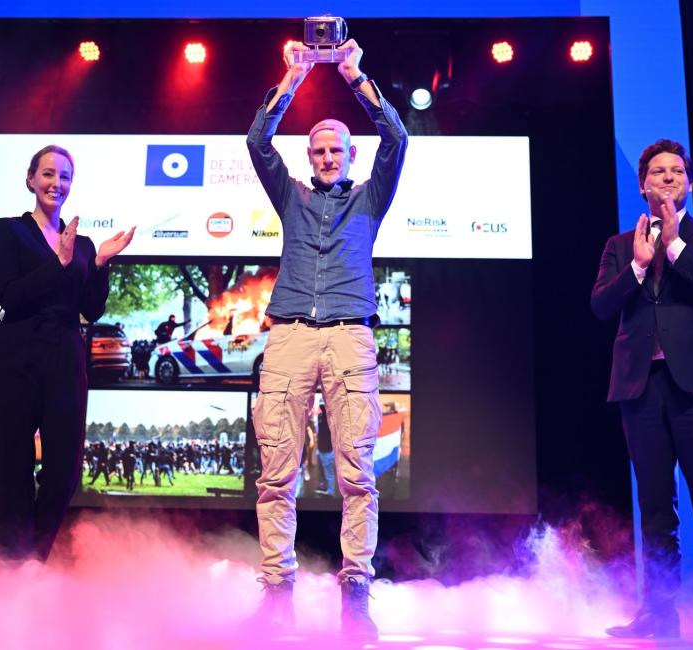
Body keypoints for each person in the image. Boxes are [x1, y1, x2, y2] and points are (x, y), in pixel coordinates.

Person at [246, 38, 408, 640]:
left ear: (349, 153)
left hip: (348, 336)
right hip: (289, 333)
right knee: (275, 473)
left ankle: (356, 591)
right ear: (309, 156)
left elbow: (398, 141)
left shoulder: (371, 198)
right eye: (318, 150)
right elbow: (257, 143)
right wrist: (292, 77)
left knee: (357, 473)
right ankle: (275, 590)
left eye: (336, 148)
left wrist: (354, 77)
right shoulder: (290, 196)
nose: (327, 156)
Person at [591, 139, 693, 647]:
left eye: (677, 172)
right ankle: (658, 612)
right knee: (655, 506)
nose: (667, 179)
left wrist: (675, 247)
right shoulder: (619, 245)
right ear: (642, 185)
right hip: (641, 387)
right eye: (657, 173)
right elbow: (600, 307)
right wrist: (637, 265)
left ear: (690, 183)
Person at [0, 144, 135, 561]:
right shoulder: (9, 230)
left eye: (65, 177)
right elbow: (9, 298)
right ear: (31, 180)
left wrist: (100, 264)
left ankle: (30, 559)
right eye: (48, 174)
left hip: (65, 360)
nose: (57, 183)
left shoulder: (83, 243)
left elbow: (91, 309)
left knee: (65, 473)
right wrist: (58, 262)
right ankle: (15, 568)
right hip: (15, 358)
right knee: (12, 468)